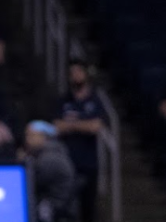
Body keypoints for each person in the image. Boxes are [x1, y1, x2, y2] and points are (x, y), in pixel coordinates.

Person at [53, 60, 107, 222]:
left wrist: (71, 124)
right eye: (72, 72)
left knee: (88, 210)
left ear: (85, 74)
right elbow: (57, 126)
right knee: (67, 209)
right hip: (67, 163)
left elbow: (95, 126)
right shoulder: (64, 100)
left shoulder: (94, 100)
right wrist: (82, 125)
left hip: (89, 164)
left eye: (78, 71)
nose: (75, 75)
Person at [23, 121, 77, 222]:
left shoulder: (50, 158)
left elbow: (30, 183)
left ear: (44, 136)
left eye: (31, 135)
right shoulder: (48, 153)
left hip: (57, 210)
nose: (27, 139)